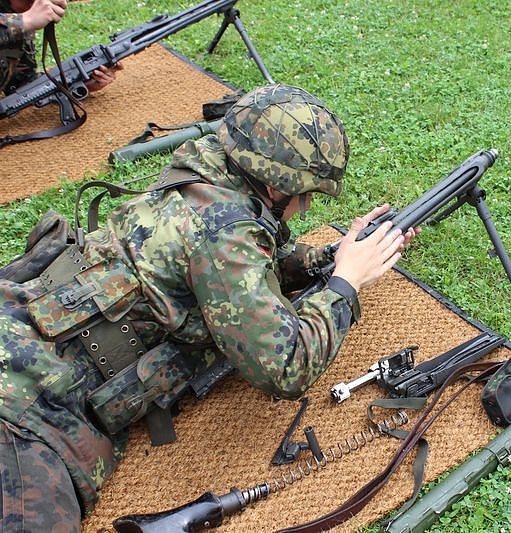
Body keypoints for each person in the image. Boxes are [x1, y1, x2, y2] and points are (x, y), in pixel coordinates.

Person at [0, 83, 418, 531]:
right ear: (279, 187)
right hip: (28, 401)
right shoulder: (224, 237)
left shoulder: (203, 174)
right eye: (308, 192)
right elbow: (286, 367)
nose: (308, 205)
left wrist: (327, 259)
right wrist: (345, 284)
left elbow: (243, 266)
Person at [0, 0, 119, 96]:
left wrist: (75, 84)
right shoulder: (21, 19)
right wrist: (25, 20)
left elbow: (19, 84)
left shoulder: (16, 12)